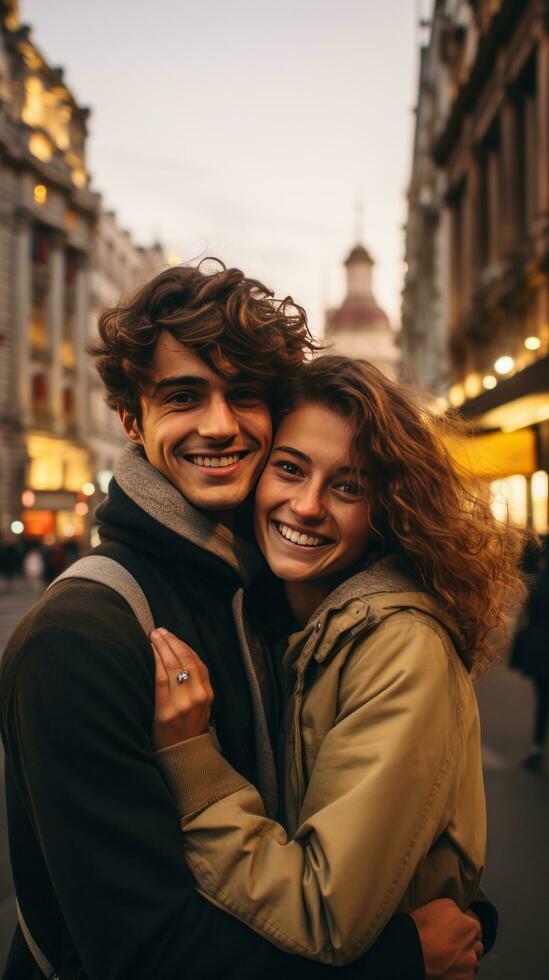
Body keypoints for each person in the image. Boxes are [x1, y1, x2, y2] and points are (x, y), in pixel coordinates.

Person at [1, 262, 488, 980]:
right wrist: (400, 957)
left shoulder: (263, 598)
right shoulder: (81, 635)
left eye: (244, 395)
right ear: (132, 419)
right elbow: (141, 955)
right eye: (184, 396)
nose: (220, 425)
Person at [147, 356, 524, 965]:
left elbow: (324, 910)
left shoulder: (399, 647)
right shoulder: (283, 623)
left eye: (348, 487)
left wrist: (192, 763)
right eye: (289, 469)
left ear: (388, 509)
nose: (308, 505)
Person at [510, 550, 549, 773]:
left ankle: (536, 749)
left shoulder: (540, 583)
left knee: (543, 702)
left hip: (541, 654)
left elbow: (528, 617)